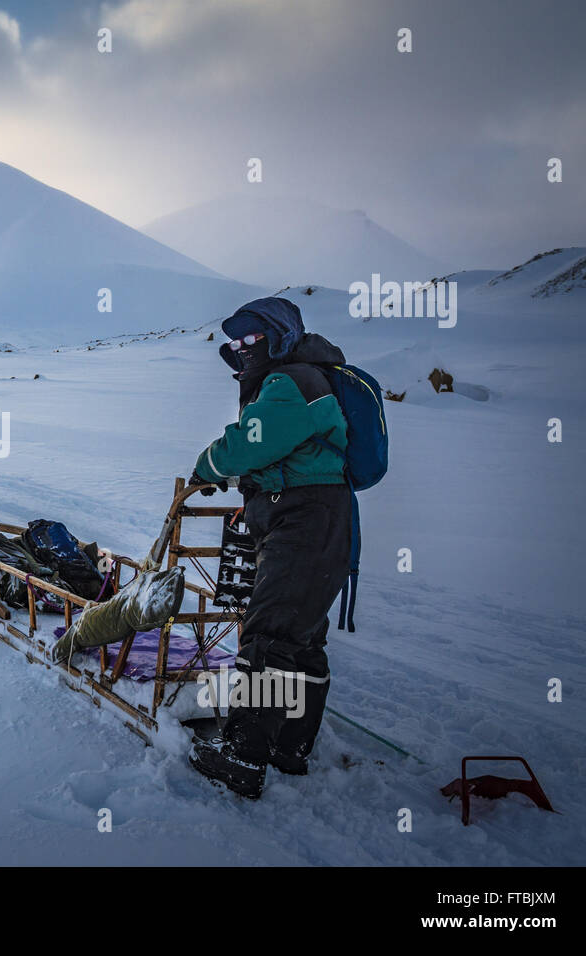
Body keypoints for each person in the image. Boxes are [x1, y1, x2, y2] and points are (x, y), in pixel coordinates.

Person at [187, 297, 351, 798]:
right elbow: (287, 458)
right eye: (235, 342)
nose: (242, 349)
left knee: (271, 637)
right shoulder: (299, 378)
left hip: (305, 521)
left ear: (277, 335)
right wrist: (256, 502)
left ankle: (242, 757)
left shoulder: (290, 382)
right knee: (299, 640)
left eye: (252, 338)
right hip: (312, 519)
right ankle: (287, 746)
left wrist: (207, 466)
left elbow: (250, 442)